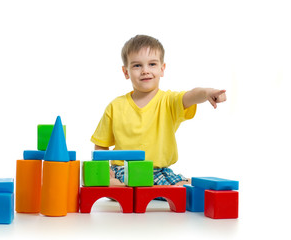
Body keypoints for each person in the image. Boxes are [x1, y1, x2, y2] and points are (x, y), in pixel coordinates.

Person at [91, 35, 226, 187]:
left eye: (152, 64)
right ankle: (142, 189)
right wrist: (104, 171)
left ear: (162, 69)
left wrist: (207, 92)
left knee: (184, 186)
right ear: (126, 72)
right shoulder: (115, 106)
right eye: (137, 66)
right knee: (110, 183)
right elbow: (101, 144)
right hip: (124, 169)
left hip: (159, 171)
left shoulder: (169, 101)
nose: (145, 71)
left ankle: (153, 189)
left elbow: (190, 95)